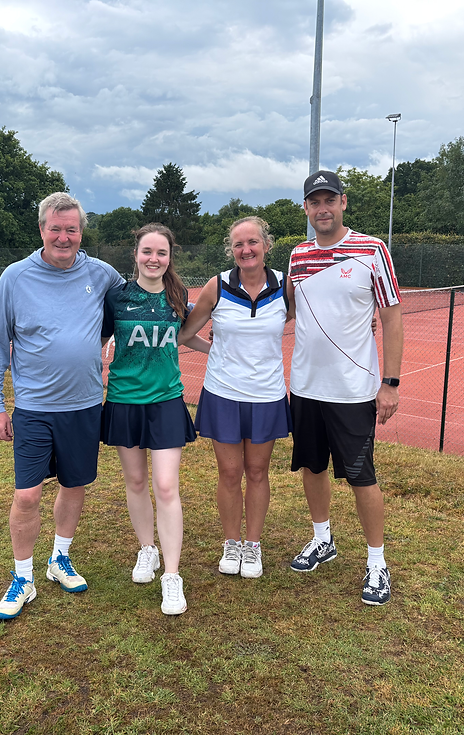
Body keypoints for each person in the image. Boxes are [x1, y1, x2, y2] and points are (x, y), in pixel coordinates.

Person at [0, 191, 125, 621]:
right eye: (55, 229)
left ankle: (59, 559)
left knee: (74, 484)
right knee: (26, 495)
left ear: (81, 231)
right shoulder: (15, 277)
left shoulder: (101, 274)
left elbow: (140, 302)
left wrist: (193, 309)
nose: (64, 237)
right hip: (33, 408)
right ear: (42, 229)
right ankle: (22, 577)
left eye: (72, 229)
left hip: (84, 406)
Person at [286, 170, 404, 607]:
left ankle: (377, 561)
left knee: (361, 476)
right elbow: (291, 312)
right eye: (314, 202)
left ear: (343, 202)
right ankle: (323, 540)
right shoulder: (297, 256)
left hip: (354, 391)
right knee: (312, 467)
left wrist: (389, 383)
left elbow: (391, 316)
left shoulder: (372, 250)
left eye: (329, 200)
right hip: (305, 387)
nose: (322, 209)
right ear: (306, 208)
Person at [102, 224, 209, 615]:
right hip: (124, 401)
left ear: (169, 257)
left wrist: (217, 349)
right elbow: (93, 339)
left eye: (161, 253)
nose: (154, 259)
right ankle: (147, 550)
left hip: (166, 401)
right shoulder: (116, 298)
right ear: (135, 254)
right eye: (147, 251)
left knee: (166, 486)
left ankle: (172, 576)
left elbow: (184, 335)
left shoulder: (179, 296)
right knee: (135, 481)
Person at [178, 216, 291, 580]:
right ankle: (232, 543)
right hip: (223, 393)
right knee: (229, 472)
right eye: (239, 244)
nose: (246, 250)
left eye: (253, 242)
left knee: (257, 472)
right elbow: (184, 333)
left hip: (267, 395)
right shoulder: (218, 285)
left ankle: (253, 546)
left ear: (266, 246)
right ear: (232, 250)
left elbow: (314, 323)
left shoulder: (286, 287)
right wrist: (214, 351)